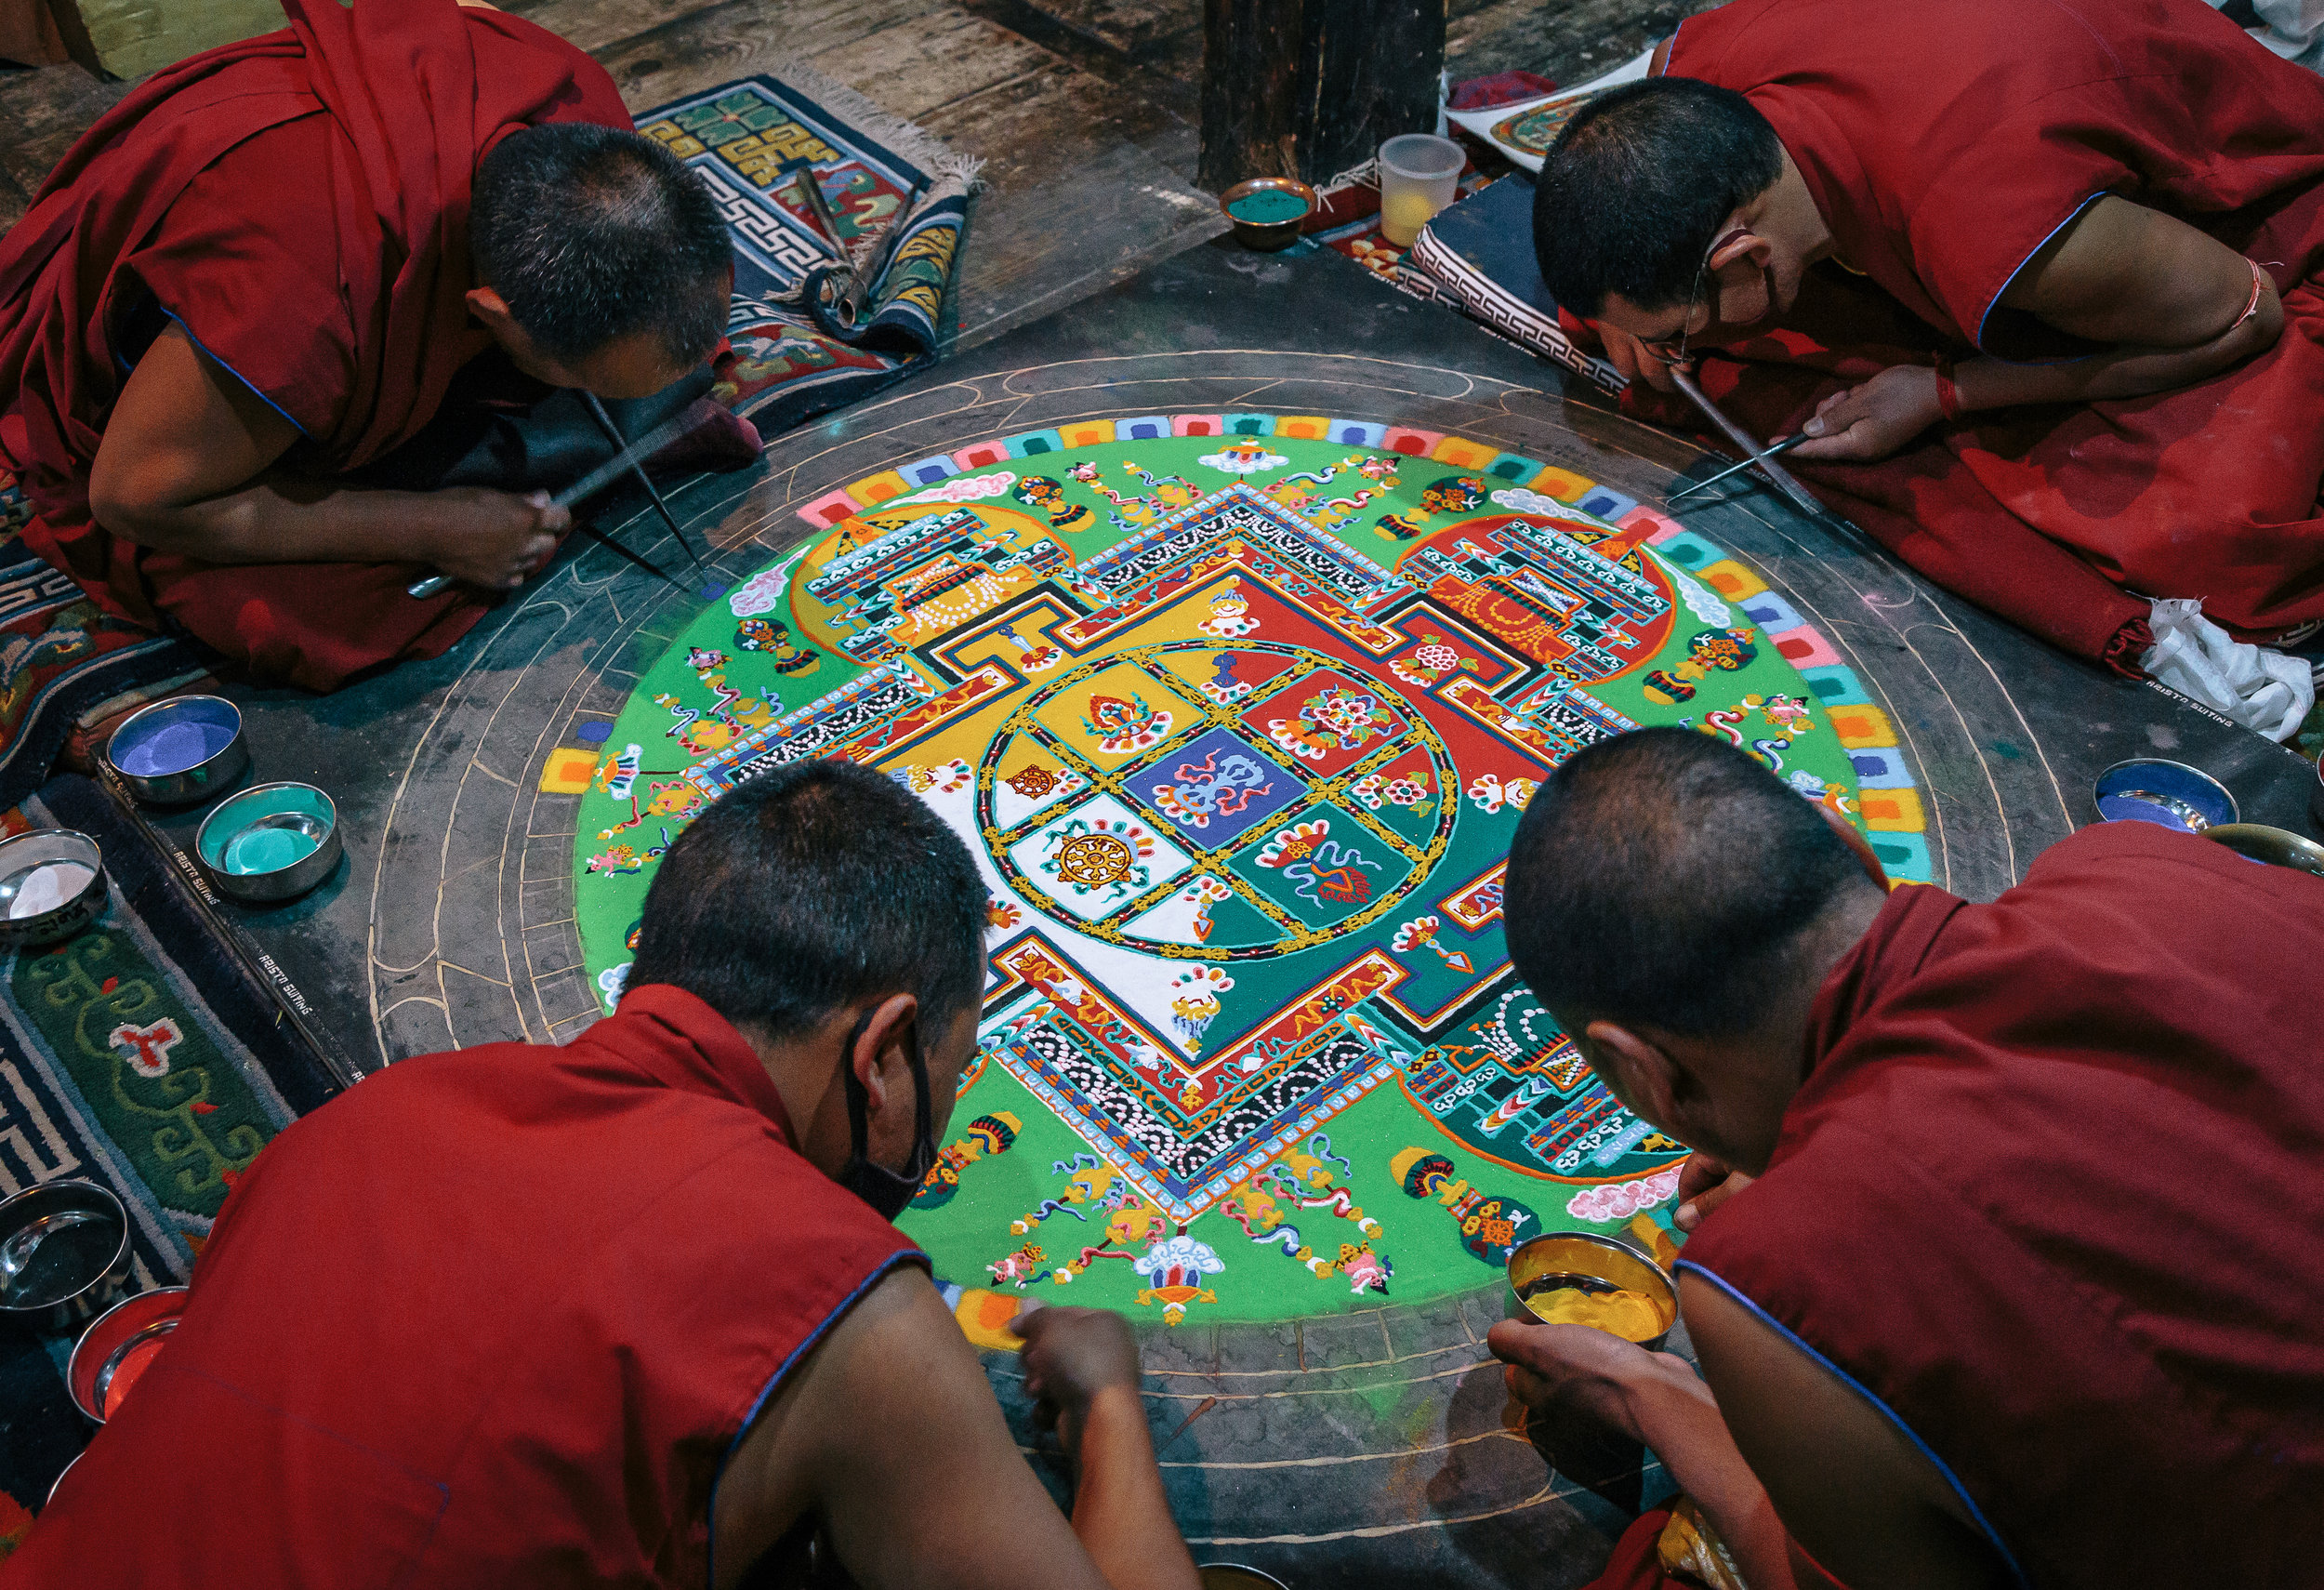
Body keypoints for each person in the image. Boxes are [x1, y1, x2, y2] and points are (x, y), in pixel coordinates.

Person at [5, 760, 1203, 1590]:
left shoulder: (371, 1115)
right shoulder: (843, 1304)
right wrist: (1106, 1408)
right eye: (955, 1068)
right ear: (884, 1057)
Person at [1486, 727, 2324, 1589]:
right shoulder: (2140, 862)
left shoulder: (1779, 1278)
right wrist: (1826, 1162)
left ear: (1641, 1070)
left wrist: (1651, 1400)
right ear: (1850, 844)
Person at [1531, 0, 2324, 731]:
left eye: (1674, 331)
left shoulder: (1991, 216)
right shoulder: (1690, 71)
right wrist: (1637, 322)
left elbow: (2247, 315)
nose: (1670, 352)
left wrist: (1948, 393)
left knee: (2208, 528)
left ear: (1744, 254)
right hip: (1971, 152)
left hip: (2241, 233)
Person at [0, 0, 753, 693]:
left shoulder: (574, 99)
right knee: (308, 620)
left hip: (380, 311)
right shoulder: (301, 287)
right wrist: (432, 528)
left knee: (664, 391)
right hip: (216, 364)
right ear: (491, 313)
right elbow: (129, 497)